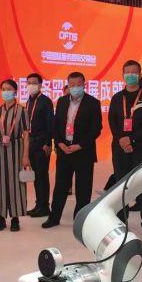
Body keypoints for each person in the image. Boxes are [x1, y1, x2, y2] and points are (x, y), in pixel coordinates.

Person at [42, 72, 103, 228]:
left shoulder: (93, 103)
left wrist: (80, 145)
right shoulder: (62, 101)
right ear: (68, 85)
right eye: (72, 84)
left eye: (78, 84)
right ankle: (54, 217)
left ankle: (80, 220)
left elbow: (96, 129)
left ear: (84, 85)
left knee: (83, 188)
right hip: (64, 150)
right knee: (60, 186)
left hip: (83, 151)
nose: (75, 87)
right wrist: (59, 143)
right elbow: (56, 125)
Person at [108, 60, 142, 239]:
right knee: (121, 186)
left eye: (134, 72)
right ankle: (121, 222)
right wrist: (122, 139)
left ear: (140, 74)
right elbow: (113, 121)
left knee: (141, 185)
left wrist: (131, 139)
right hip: (120, 147)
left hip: (141, 147)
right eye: (127, 72)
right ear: (123, 75)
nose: (130, 75)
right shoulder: (117, 97)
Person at [0, 79, 31, 231]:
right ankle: (1, 217)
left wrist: (25, 155)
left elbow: (26, 135)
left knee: (16, 183)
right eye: (3, 89)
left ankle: (15, 218)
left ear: (15, 91)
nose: (5, 92)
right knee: (0, 183)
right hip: (0, 150)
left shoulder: (22, 111)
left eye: (8, 89)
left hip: (16, 148)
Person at [25, 73, 54, 218]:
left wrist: (48, 143)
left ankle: (44, 207)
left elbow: (50, 124)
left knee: (42, 175)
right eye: (29, 82)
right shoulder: (28, 101)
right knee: (36, 176)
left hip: (42, 143)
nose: (31, 85)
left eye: (34, 82)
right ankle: (38, 204)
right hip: (31, 143)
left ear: (40, 85)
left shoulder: (45, 101)